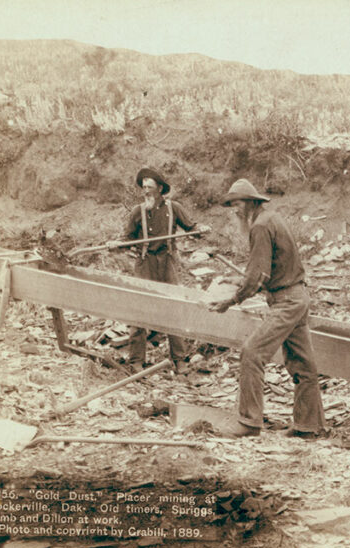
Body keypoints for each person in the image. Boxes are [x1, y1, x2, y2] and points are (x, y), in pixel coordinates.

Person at [210, 179, 325, 439]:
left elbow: (258, 274)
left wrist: (230, 300)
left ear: (251, 202)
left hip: (286, 302)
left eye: (237, 203)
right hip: (297, 296)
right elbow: (271, 268)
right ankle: (310, 426)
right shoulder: (272, 219)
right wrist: (241, 283)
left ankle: (249, 423)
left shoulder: (260, 226)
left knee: (252, 352)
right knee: (303, 365)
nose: (234, 210)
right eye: (231, 205)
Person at [123, 167, 200, 374]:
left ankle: (180, 360)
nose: (146, 191)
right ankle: (136, 361)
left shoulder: (174, 208)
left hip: (167, 262)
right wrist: (118, 243)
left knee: (173, 308)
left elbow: (191, 227)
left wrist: (199, 231)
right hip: (144, 262)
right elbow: (127, 238)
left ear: (160, 189)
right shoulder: (137, 212)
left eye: (150, 187)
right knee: (140, 309)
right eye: (143, 187)